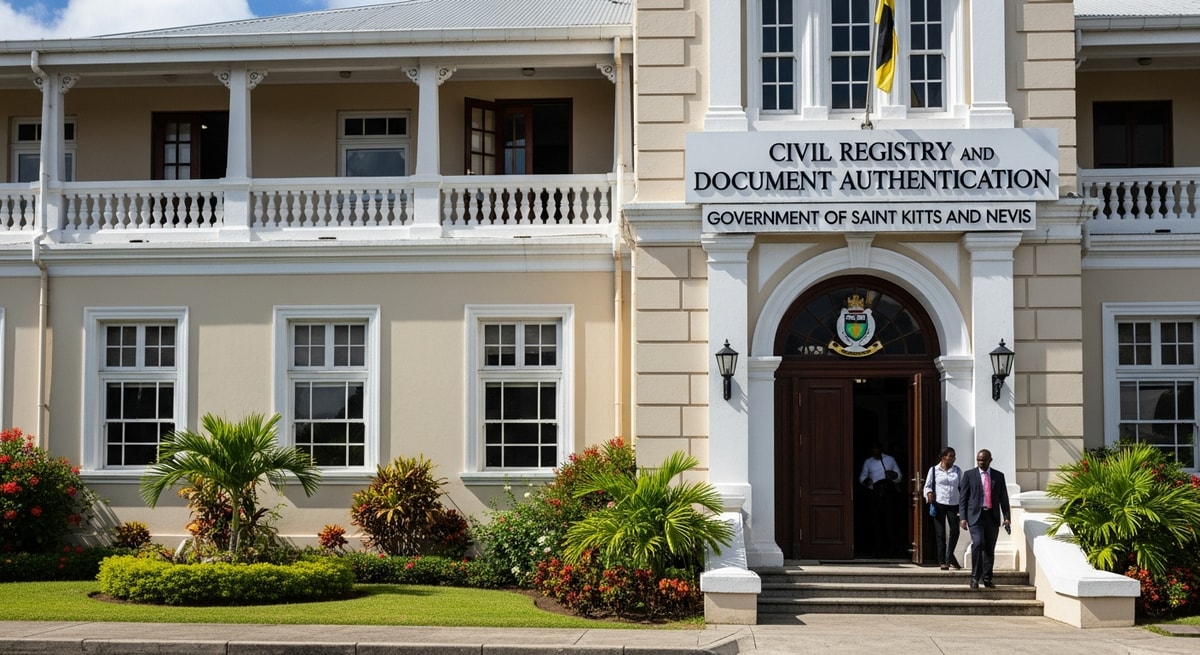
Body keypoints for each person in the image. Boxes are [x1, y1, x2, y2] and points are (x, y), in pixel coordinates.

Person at [958, 449, 1010, 589]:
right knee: (978, 543)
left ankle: (987, 578)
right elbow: (963, 498)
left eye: (984, 460)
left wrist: (1006, 517)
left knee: (989, 548)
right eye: (979, 460)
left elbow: (1003, 498)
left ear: (990, 460)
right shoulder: (969, 475)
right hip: (975, 516)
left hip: (992, 516)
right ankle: (975, 578)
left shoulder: (998, 476)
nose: (981, 463)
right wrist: (963, 517)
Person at [858, 442, 903, 557]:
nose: (875, 452)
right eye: (873, 450)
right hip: (875, 495)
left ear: (880, 449)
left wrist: (892, 476)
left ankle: (892, 548)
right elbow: (862, 478)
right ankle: (877, 548)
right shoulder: (868, 462)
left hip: (889, 496)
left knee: (890, 522)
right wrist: (867, 482)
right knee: (876, 522)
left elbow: (899, 476)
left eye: (877, 449)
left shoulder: (890, 460)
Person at [922, 447, 962, 570]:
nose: (952, 458)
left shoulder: (957, 470)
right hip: (939, 503)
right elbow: (927, 486)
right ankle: (943, 561)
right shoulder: (934, 470)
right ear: (943, 457)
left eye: (954, 456)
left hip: (954, 503)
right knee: (940, 533)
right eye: (950, 456)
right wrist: (928, 493)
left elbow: (962, 486)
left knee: (955, 531)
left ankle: (949, 556)